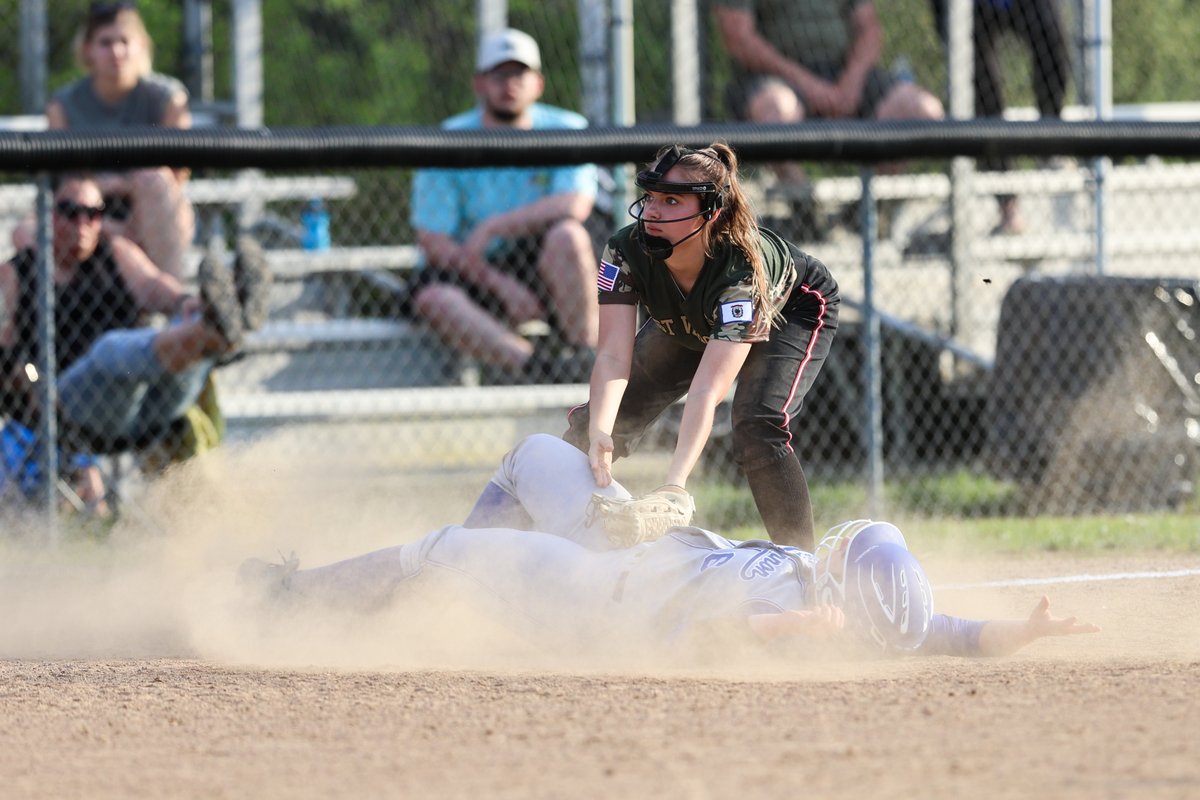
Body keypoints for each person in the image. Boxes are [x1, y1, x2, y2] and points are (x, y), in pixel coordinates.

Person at [239, 434, 1100, 662]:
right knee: (539, 457)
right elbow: (932, 631)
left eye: (845, 550)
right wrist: (1014, 634)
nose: (832, 546)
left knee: (443, 549)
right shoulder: (875, 618)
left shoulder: (795, 617)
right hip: (629, 555)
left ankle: (296, 598)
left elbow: (698, 645)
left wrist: (781, 637)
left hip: (593, 596)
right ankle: (440, 601)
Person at [561, 143, 839, 552]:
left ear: (712, 210)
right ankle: (520, 536)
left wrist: (675, 483)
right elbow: (611, 356)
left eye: (671, 200)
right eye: (651, 197)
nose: (652, 210)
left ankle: (802, 568)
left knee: (756, 423)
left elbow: (709, 391)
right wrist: (601, 429)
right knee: (592, 428)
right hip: (699, 315)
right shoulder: (623, 251)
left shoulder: (741, 270)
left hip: (793, 307)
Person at [0, 174, 268, 515]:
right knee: (112, 348)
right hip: (72, 407)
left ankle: (216, 325)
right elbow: (4, 357)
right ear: (50, 215)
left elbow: (163, 291)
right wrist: (34, 387)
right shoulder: (18, 272)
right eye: (71, 211)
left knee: (177, 332)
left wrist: (188, 305)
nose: (82, 222)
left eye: (93, 212)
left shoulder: (116, 254)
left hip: (151, 406)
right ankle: (220, 334)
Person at [408, 28, 600, 383]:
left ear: (538, 83)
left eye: (519, 74)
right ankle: (543, 370)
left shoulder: (567, 128)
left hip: (539, 263)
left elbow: (575, 204)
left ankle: (588, 359)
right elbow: (433, 240)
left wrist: (495, 227)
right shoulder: (447, 139)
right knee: (433, 297)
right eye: (499, 75)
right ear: (479, 84)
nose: (509, 84)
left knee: (569, 236)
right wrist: (499, 284)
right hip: (473, 267)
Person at [17, 2, 197, 280]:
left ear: (142, 45)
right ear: (88, 49)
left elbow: (176, 177)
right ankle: (62, 317)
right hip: (83, 217)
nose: (116, 52)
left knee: (154, 182)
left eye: (124, 41)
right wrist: (103, 224)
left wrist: (125, 193)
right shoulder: (63, 105)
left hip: (150, 216)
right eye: (105, 42)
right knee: (25, 233)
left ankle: (176, 306)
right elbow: (65, 186)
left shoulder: (167, 99)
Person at [713, 0, 945, 186]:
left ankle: (868, 207)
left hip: (844, 73)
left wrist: (851, 82)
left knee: (924, 110)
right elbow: (738, 37)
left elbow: (870, 29)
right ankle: (806, 209)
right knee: (777, 108)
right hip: (775, 75)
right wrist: (809, 84)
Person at [930, 0, 1072, 234]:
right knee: (982, 91)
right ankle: (1008, 206)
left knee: (1051, 32)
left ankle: (1050, 140)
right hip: (968, 8)